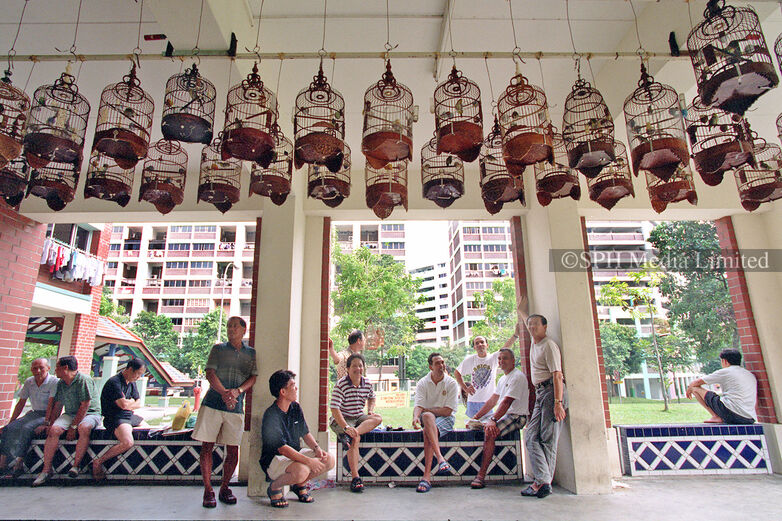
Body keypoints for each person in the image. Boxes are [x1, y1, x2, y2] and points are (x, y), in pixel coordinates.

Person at [192, 316, 257, 508]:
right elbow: (210, 373)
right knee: (207, 447)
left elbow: (253, 377)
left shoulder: (251, 354)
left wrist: (237, 392)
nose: (231, 329)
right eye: (229, 326)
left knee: (233, 449)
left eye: (235, 326)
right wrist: (225, 393)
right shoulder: (218, 349)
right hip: (213, 404)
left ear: (244, 330)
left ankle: (225, 487)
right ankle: (208, 490)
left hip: (236, 407)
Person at [261, 369, 335, 508]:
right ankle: (274, 488)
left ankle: (299, 485)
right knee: (303, 470)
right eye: (293, 386)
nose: (296, 388)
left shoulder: (295, 407)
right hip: (274, 460)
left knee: (329, 460)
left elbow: (305, 433)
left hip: (294, 454)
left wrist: (317, 449)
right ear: (283, 392)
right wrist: (309, 461)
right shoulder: (271, 415)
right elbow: (282, 449)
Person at [518, 297, 566, 499]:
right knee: (530, 436)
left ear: (545, 327)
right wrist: (521, 310)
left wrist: (558, 402)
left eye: (536, 324)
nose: (531, 327)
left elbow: (557, 375)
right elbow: (528, 319)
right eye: (529, 324)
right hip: (540, 394)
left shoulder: (548, 345)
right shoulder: (535, 342)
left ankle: (542, 483)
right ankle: (543, 480)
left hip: (550, 393)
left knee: (547, 439)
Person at [32, 356, 102, 487]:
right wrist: (50, 424)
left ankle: (75, 466)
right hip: (70, 413)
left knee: (84, 428)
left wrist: (73, 427)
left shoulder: (83, 379)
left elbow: (85, 405)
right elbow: (58, 405)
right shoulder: (61, 383)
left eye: (57, 367)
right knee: (54, 430)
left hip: (90, 413)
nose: (55, 370)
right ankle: (46, 470)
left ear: (65, 368)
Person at [468, 348, 529, 489]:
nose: (501, 361)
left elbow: (506, 402)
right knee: (477, 427)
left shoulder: (517, 377)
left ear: (513, 361)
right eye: (500, 359)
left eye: (505, 358)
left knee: (489, 432)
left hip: (517, 416)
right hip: (505, 415)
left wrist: (493, 420)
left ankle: (481, 476)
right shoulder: (502, 378)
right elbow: (493, 400)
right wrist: (476, 418)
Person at [329, 353, 382, 492]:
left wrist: (370, 410)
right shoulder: (341, 385)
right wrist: (345, 427)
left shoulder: (367, 383)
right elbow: (334, 408)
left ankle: (352, 433)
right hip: (341, 418)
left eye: (360, 366)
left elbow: (372, 398)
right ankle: (355, 478)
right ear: (347, 369)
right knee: (355, 439)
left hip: (358, 418)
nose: (358, 368)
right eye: (354, 366)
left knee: (377, 418)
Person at [0, 358, 58, 477]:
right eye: (34, 368)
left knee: (27, 428)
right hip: (34, 413)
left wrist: (46, 423)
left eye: (41, 368)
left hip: (47, 415)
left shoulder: (54, 381)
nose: (38, 371)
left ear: (48, 368)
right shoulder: (29, 381)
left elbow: (52, 404)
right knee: (8, 429)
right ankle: (3, 464)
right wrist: (11, 421)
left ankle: (19, 464)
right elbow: (21, 403)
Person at [91, 358, 146, 480]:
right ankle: (98, 461)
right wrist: (130, 403)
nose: (138, 377)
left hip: (127, 416)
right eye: (138, 374)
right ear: (130, 369)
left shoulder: (131, 382)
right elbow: (123, 405)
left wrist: (129, 403)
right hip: (114, 418)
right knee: (128, 442)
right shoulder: (114, 382)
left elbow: (139, 403)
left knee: (146, 427)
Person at [412, 352, 459, 493]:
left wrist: (427, 411)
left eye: (442, 362)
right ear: (430, 366)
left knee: (427, 425)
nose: (441, 365)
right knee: (427, 417)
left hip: (446, 419)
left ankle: (426, 477)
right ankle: (440, 460)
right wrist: (415, 417)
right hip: (428, 418)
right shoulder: (422, 383)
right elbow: (418, 405)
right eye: (437, 363)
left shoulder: (451, 383)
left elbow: (448, 411)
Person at [455, 329, 521, 419]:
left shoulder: (493, 358)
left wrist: (515, 335)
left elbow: (505, 347)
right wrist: (465, 387)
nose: (479, 345)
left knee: (487, 428)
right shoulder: (470, 360)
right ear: (474, 347)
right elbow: (457, 372)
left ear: (487, 345)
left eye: (482, 342)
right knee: (473, 428)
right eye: (477, 343)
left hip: (488, 401)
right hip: (473, 401)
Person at [686, 348, 757, 425]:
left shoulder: (726, 371)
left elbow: (696, 383)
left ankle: (715, 416)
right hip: (749, 418)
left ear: (724, 361)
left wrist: (689, 388)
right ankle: (717, 416)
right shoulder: (749, 374)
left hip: (732, 414)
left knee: (694, 388)